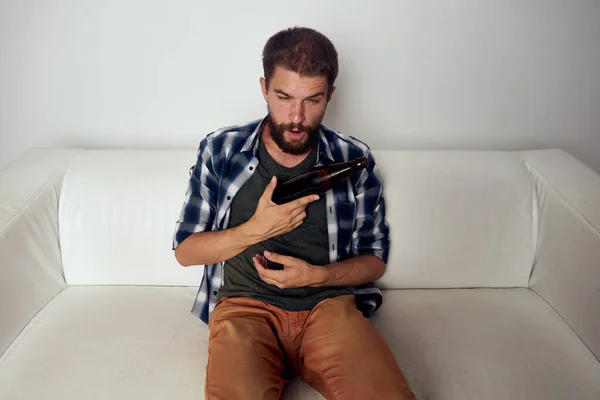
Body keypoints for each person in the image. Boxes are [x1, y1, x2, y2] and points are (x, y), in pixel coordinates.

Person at [173, 26, 416, 400]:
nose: (297, 117)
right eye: (283, 97)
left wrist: (319, 276)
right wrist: (256, 228)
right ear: (263, 88)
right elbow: (185, 252)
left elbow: (374, 262)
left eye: (313, 100)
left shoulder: (353, 160)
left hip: (328, 307)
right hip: (244, 310)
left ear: (331, 94)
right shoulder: (221, 150)